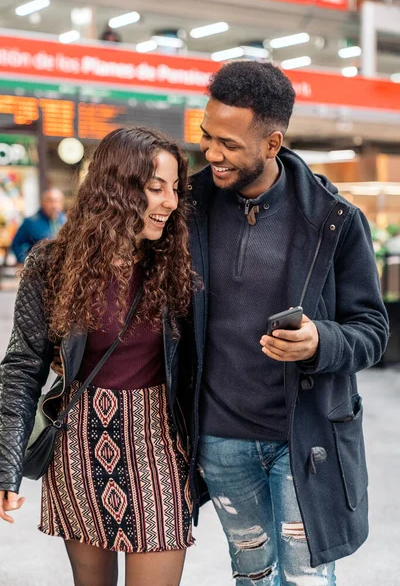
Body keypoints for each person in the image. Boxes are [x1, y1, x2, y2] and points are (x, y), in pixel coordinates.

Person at [186, 61, 389, 584]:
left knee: (306, 579)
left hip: (306, 438)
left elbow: (372, 329)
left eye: (228, 144)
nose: (211, 153)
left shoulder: (334, 220)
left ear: (272, 144)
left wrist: (323, 340)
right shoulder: (189, 208)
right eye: (207, 136)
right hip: (221, 439)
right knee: (251, 573)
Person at [0, 127, 195, 586]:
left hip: (159, 442)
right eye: (155, 188)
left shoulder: (179, 262)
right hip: (80, 441)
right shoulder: (52, 264)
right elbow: (23, 367)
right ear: (118, 188)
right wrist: (5, 465)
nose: (170, 201)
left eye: (174, 188)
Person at [11, 187, 66, 264]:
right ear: (42, 202)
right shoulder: (30, 222)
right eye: (50, 201)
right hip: (38, 270)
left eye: (57, 201)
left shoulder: (65, 221)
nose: (54, 206)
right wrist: (25, 262)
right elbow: (16, 244)